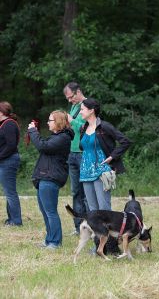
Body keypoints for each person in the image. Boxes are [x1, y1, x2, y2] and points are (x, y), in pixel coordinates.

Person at [28, 110, 74, 249]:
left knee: (50, 211)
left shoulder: (63, 138)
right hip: (45, 177)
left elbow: (43, 147)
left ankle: (55, 242)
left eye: (50, 120)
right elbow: (44, 146)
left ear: (58, 122)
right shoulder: (56, 136)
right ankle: (49, 240)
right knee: (45, 211)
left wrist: (33, 131)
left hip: (50, 178)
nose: (48, 123)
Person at [79, 98, 131, 211]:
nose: (80, 112)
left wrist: (112, 157)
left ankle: (108, 229)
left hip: (101, 172)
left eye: (82, 109)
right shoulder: (83, 128)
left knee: (104, 209)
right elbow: (83, 147)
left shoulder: (104, 126)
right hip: (85, 172)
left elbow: (125, 141)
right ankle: (96, 230)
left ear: (91, 110)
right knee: (92, 209)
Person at [64, 82, 88, 235]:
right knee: (75, 192)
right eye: (67, 98)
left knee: (86, 193)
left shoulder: (87, 105)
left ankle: (90, 225)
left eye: (71, 97)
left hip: (82, 153)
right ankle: (78, 227)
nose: (69, 100)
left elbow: (83, 126)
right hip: (71, 152)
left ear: (78, 91)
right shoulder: (74, 106)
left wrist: (71, 121)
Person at [0, 101, 22, 226]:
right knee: (8, 191)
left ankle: (16, 220)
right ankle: (11, 219)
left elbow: (11, 146)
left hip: (8, 161)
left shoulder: (9, 124)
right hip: (5, 160)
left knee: (10, 192)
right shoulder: (4, 124)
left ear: (2, 112)